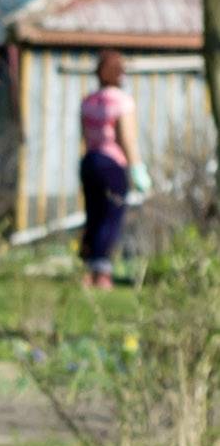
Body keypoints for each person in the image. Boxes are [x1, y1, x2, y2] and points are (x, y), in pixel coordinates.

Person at [78, 50, 141, 289]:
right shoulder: (121, 101)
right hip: (112, 164)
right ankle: (102, 272)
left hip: (90, 161)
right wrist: (136, 168)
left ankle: (89, 269)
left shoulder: (88, 101)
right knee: (111, 216)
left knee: (93, 215)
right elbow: (126, 138)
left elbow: (85, 137)